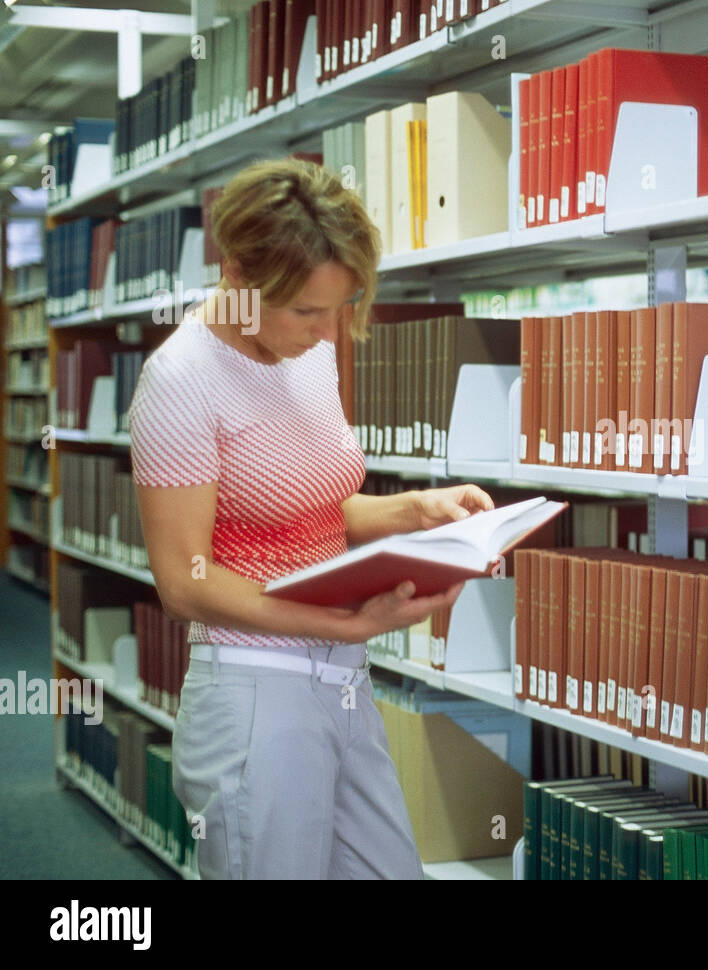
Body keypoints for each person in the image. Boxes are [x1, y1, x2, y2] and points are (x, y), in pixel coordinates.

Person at [129, 157, 491, 879]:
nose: (330, 332)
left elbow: (314, 503)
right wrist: (341, 623)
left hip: (344, 682)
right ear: (236, 275)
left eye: (345, 303)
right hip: (255, 690)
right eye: (306, 310)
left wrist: (413, 510)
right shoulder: (180, 381)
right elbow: (185, 582)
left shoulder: (308, 356)